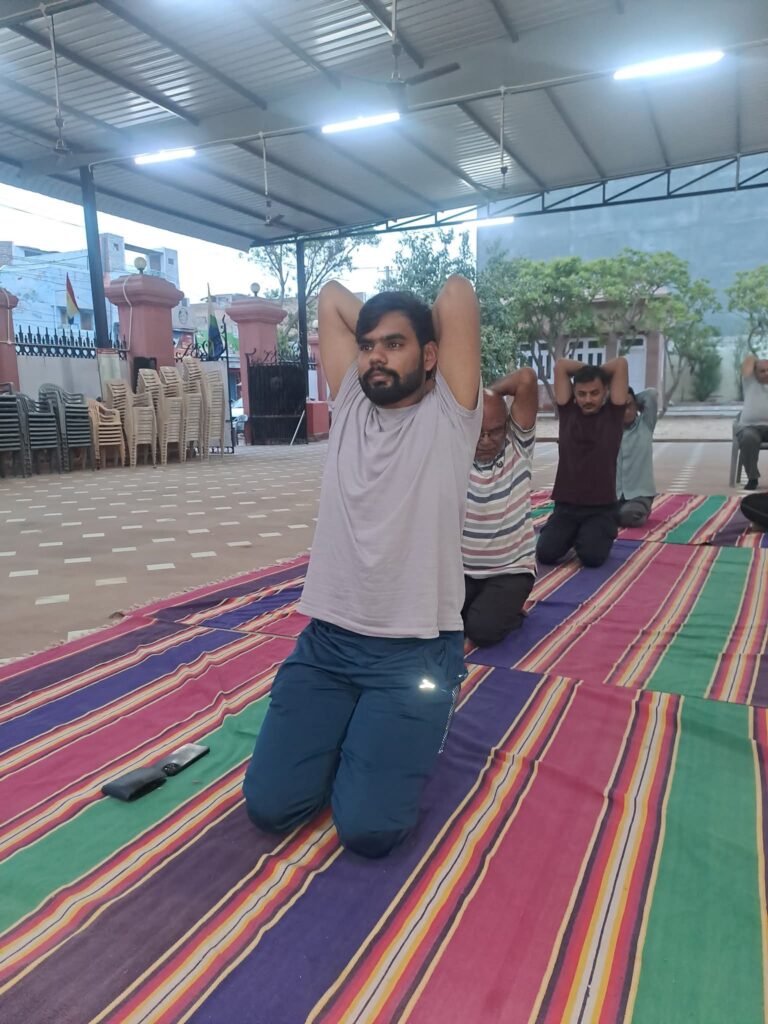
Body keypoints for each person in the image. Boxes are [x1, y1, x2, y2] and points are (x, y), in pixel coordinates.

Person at [243, 277, 482, 859]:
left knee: (369, 831)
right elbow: (328, 295)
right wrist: (391, 324)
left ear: (431, 356)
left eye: (395, 344)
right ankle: (352, 731)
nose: (376, 356)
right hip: (328, 644)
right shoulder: (350, 403)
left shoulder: (450, 415)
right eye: (368, 344)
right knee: (271, 807)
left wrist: (411, 321)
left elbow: (455, 294)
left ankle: (382, 735)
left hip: (414, 654)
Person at [461, 368, 539, 647]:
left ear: (507, 427)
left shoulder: (518, 446)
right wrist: (478, 402)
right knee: (437, 624)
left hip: (511, 570)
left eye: (494, 431)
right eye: (478, 432)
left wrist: (490, 395)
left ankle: (507, 609)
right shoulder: (454, 451)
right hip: (461, 571)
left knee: (482, 631)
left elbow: (526, 378)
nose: (486, 441)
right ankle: (496, 606)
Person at [536, 357, 628, 568]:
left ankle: (596, 532)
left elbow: (620, 364)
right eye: (582, 394)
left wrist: (595, 373)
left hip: (601, 508)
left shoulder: (614, 414)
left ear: (605, 391)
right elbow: (561, 365)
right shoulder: (568, 412)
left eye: (594, 393)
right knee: (546, 554)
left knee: (591, 558)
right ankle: (575, 533)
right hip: (566, 507)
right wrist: (593, 372)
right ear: (574, 394)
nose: (588, 399)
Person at [616, 386, 658, 527]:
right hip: (613, 495)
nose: (626, 412)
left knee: (628, 515)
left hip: (639, 495)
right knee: (596, 516)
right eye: (621, 408)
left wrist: (629, 398)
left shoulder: (645, 424)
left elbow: (651, 394)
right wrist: (613, 400)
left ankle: (642, 511)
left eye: (629, 406)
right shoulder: (608, 429)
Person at [736, 354, 768, 490]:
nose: (766, 373)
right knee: (749, 438)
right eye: (762, 371)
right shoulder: (749, 381)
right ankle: (752, 478)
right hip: (750, 427)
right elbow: (749, 359)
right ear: (755, 373)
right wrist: (758, 362)